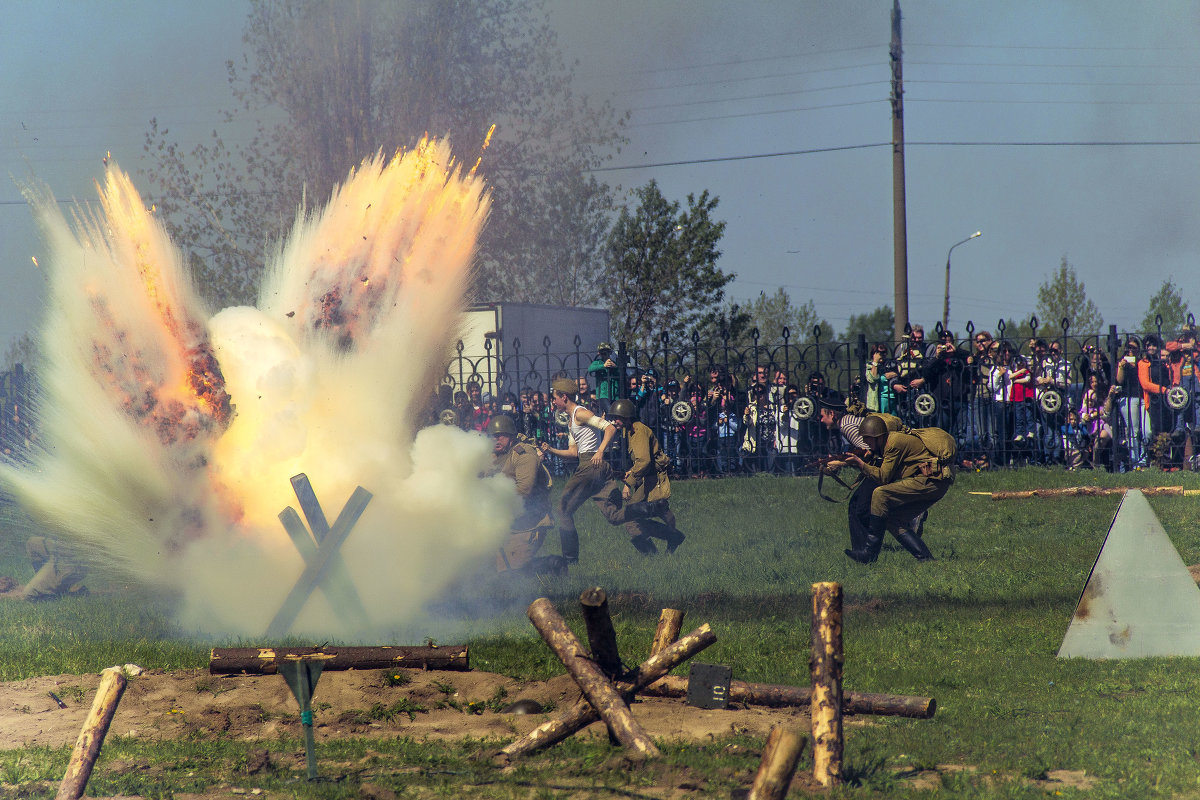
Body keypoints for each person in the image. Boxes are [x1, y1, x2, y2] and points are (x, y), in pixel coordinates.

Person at [842, 415, 954, 564]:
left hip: (932, 481)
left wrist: (860, 464)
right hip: (931, 482)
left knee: (880, 493)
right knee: (894, 520)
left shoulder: (893, 443)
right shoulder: (888, 443)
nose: (865, 442)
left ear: (879, 437)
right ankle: (927, 560)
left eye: (868, 438)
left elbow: (883, 477)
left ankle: (870, 553)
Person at [540, 377, 619, 564]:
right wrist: (550, 449)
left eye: (554, 398)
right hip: (588, 464)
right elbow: (573, 453)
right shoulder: (571, 420)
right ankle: (648, 509)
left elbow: (610, 428)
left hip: (590, 466)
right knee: (613, 515)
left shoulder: (580, 413)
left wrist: (600, 451)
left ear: (564, 397)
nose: (553, 401)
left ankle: (570, 560)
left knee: (562, 510)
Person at [605, 399, 685, 554]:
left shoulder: (639, 432)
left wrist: (628, 484)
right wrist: (631, 472)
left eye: (617, 417)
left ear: (627, 417)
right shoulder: (630, 430)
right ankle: (671, 536)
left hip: (652, 479)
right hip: (647, 478)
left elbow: (644, 461)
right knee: (649, 512)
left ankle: (652, 553)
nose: (614, 421)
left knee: (631, 516)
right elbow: (641, 460)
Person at [484, 415, 557, 574]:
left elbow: (524, 490)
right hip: (508, 522)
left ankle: (552, 564)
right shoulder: (493, 456)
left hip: (529, 524)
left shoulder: (524, 455)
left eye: (501, 435)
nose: (496, 439)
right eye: (493, 436)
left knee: (512, 574)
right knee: (485, 569)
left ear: (511, 436)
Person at [0, 537, 88, 600]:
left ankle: (49, 587)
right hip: (64, 554)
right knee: (32, 543)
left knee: (29, 594)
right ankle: (50, 586)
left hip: (67, 562)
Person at [587, 342, 622, 416]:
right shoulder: (597, 362)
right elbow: (590, 369)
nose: (605, 355)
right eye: (603, 353)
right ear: (599, 353)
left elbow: (621, 375)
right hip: (603, 394)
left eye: (607, 352)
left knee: (616, 412)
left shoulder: (614, 362)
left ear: (610, 353)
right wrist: (603, 365)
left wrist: (615, 367)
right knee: (610, 411)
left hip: (614, 394)